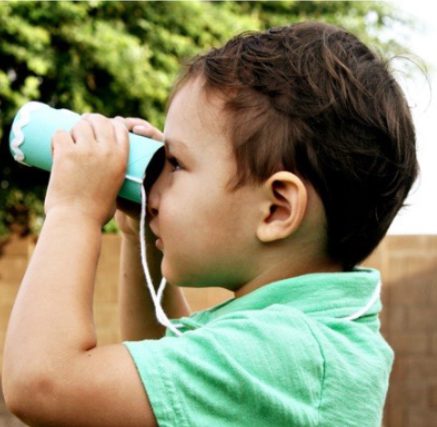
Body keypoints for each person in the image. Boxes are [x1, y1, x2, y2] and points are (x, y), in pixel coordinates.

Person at [2, 22, 418, 426]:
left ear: (276, 210)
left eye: (177, 163)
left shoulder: (286, 352)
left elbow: (44, 384)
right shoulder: (304, 339)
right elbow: (165, 384)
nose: (157, 180)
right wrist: (141, 236)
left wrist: (72, 209)